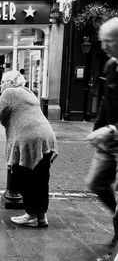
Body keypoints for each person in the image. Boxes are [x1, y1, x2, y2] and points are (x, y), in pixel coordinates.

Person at [0, 70, 58, 228]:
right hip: (46, 139)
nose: (0, 85)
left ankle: (31, 215)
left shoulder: (10, 93)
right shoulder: (29, 93)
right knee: (41, 179)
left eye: (2, 81)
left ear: (12, 82)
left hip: (28, 141)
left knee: (22, 177)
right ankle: (41, 216)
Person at [85, 18, 118, 261]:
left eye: (108, 41)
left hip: (113, 134)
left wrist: (111, 130)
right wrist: (99, 129)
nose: (103, 46)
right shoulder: (110, 66)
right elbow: (107, 102)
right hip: (108, 139)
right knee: (95, 183)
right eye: (102, 41)